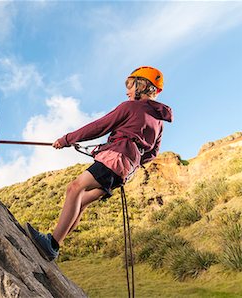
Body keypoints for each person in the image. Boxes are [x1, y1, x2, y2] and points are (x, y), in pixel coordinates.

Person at [25, 66, 173, 261]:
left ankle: (51, 245)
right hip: (126, 170)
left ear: (142, 85)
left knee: (74, 188)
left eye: (130, 86)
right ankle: (55, 244)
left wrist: (67, 139)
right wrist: (132, 158)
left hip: (114, 158)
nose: (127, 91)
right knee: (82, 200)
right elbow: (152, 153)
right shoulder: (159, 121)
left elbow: (100, 126)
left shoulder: (130, 107)